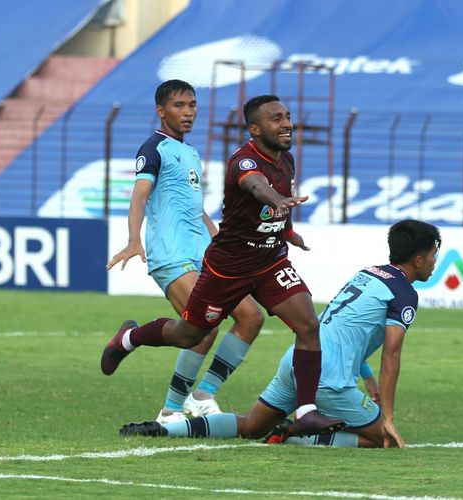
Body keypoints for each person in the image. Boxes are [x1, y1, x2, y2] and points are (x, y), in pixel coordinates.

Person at [102, 95, 344, 436]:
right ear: (256, 129)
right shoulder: (241, 161)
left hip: (268, 261)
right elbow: (255, 186)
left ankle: (303, 410)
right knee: (193, 333)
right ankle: (134, 343)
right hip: (223, 265)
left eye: (288, 116)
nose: (287, 123)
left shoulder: (282, 159)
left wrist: (287, 231)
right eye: (277, 119)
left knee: (303, 324)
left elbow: (246, 208)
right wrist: (133, 238)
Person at [119, 219, 442, 448]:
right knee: (382, 440)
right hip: (329, 380)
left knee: (250, 426)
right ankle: (299, 436)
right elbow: (392, 354)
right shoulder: (403, 293)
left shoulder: (368, 275)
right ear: (418, 259)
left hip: (298, 361)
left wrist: (366, 377)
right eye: (433, 255)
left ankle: (168, 430)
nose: (434, 261)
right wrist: (388, 416)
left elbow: (341, 327)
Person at [104, 79, 265, 423]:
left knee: (252, 317)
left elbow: (192, 204)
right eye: (179, 106)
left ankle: (204, 394)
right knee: (202, 327)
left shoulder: (190, 152)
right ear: (161, 111)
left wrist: (217, 234)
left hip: (205, 253)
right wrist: (135, 239)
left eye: (191, 105)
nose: (188, 112)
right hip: (171, 254)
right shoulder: (154, 148)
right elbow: (140, 196)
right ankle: (170, 407)